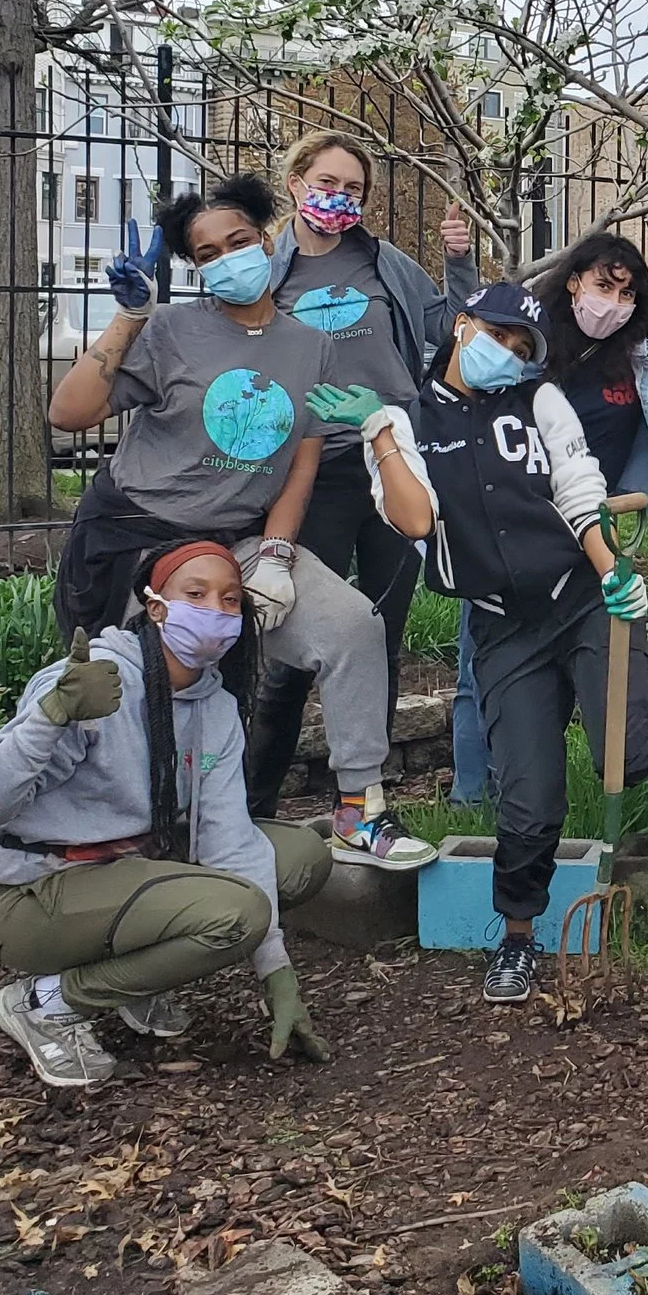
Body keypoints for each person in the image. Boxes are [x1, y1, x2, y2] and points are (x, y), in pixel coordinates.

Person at [47, 176, 431, 870]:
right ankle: (127, 834)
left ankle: (359, 810)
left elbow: (301, 463)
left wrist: (278, 554)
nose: (228, 258)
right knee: (140, 685)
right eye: (208, 253)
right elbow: (67, 413)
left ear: (266, 238)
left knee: (353, 626)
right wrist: (130, 316)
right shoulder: (170, 331)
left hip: (239, 541)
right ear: (196, 267)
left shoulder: (309, 345)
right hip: (141, 537)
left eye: (240, 241)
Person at [326, 281, 648, 1003]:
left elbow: (579, 489)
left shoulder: (539, 400)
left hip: (581, 598)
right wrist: (380, 432)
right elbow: (415, 520)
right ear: (462, 324)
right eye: (498, 335)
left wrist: (612, 573)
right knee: (528, 801)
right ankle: (517, 936)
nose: (508, 353)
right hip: (504, 625)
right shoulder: (406, 422)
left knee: (630, 754)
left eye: (521, 347)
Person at [0, 540, 333, 1087]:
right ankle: (46, 1001)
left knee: (300, 858)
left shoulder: (215, 706)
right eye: (196, 594)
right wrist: (52, 717)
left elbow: (230, 839)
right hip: (33, 893)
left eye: (230, 600)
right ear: (156, 606)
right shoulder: (93, 682)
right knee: (237, 914)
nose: (215, 611)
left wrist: (275, 970)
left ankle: (135, 978)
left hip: (132, 867)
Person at [247, 133, 479, 816]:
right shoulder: (266, 272)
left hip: (388, 461)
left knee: (381, 634)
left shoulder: (384, 263)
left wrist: (458, 263)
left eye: (353, 188)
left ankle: (364, 805)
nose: (339, 197)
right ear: (295, 184)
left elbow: (450, 328)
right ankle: (254, 806)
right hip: (309, 472)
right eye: (328, 182)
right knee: (290, 645)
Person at [521, 230, 648, 806]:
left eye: (627, 294)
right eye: (604, 286)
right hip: (519, 531)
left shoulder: (644, 352)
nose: (614, 303)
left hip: (599, 534)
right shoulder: (531, 341)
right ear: (574, 281)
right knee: (500, 699)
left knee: (621, 745)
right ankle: (478, 796)